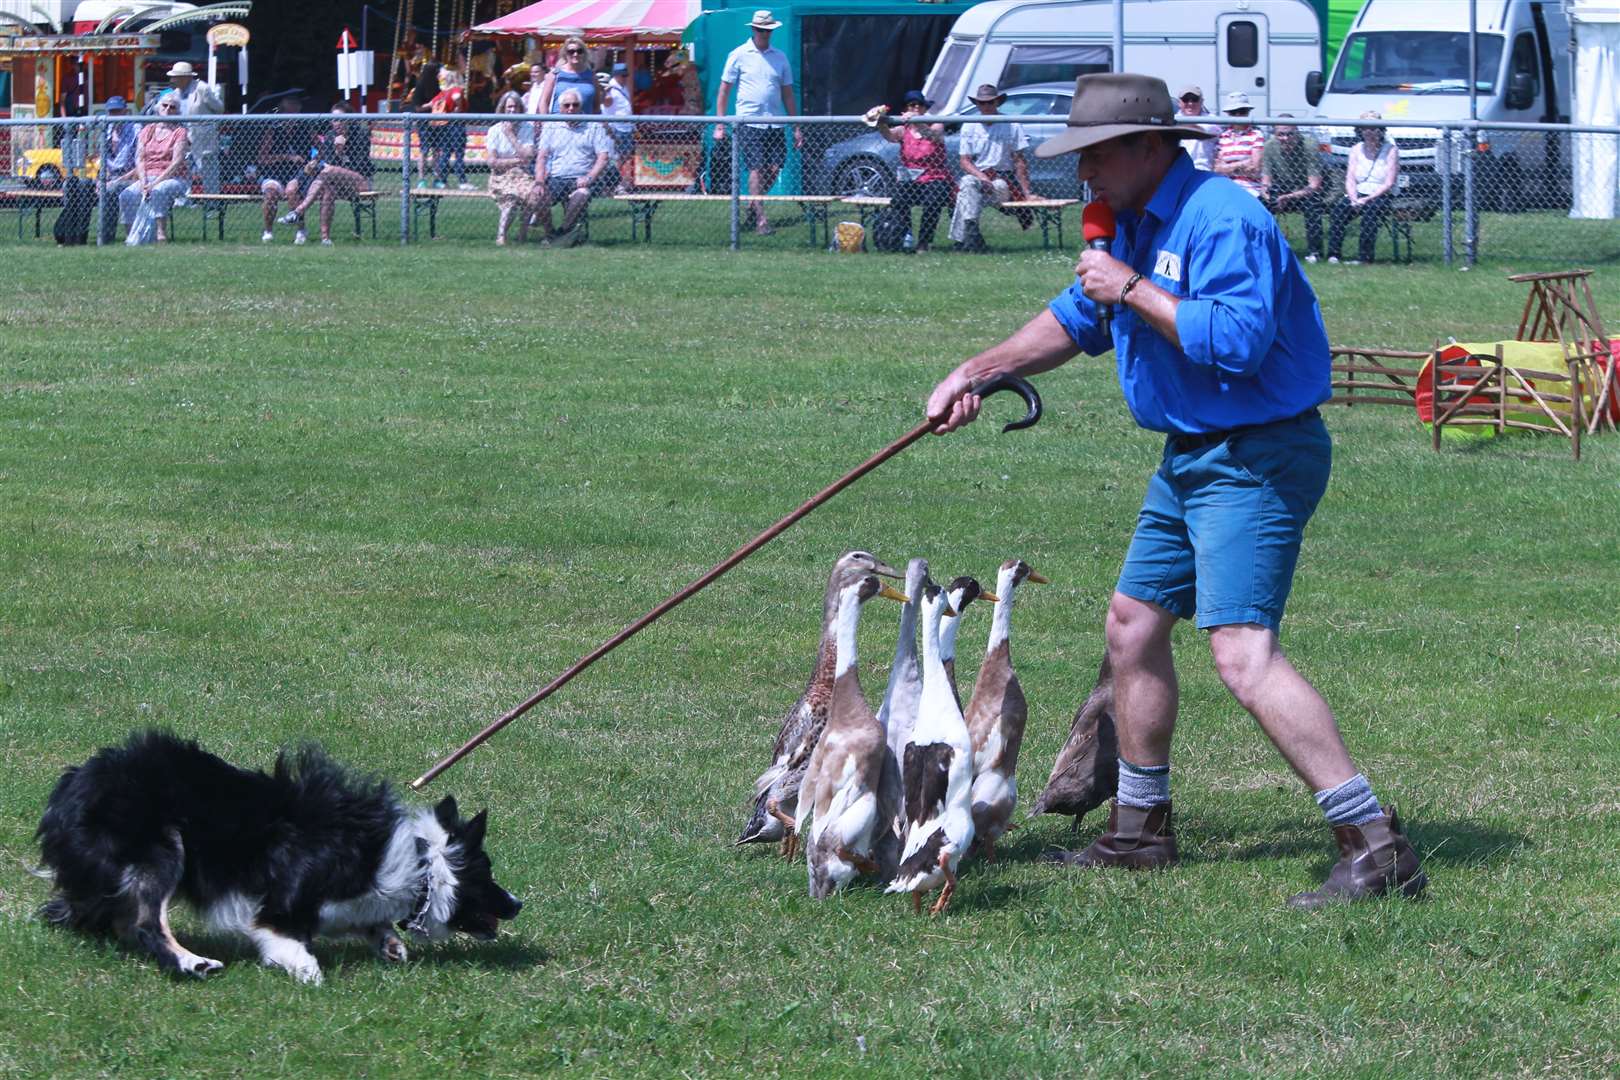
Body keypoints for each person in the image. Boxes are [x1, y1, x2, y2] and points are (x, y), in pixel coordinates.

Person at [925, 73, 1426, 909]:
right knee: (1132, 624)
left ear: (1153, 146)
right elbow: (1073, 321)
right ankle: (1139, 831)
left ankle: (1375, 843)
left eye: (1096, 155)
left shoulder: (1224, 219)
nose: (1082, 174)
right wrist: (979, 371)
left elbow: (1235, 341)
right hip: (1192, 453)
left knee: (1242, 653)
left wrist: (1128, 288)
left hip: (1258, 454)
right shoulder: (1127, 223)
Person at [714, 9, 802, 235]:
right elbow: (724, 90)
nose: (765, 34)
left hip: (776, 123)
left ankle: (753, 203)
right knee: (756, 168)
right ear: (753, 29)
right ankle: (761, 220)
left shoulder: (780, 57)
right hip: (748, 123)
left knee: (774, 168)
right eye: (761, 30)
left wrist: (797, 127)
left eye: (768, 30)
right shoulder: (739, 54)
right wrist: (720, 124)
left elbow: (788, 94)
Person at [949, 83, 1038, 253]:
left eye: (990, 102)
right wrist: (982, 177)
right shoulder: (969, 126)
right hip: (979, 178)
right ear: (977, 105)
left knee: (967, 196)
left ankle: (964, 241)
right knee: (967, 182)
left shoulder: (1011, 124)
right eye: (982, 103)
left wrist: (1026, 193)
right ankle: (973, 236)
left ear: (997, 102)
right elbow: (965, 161)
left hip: (1002, 180)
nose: (986, 106)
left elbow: (1019, 161)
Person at [278, 103, 372, 246]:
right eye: (334, 120)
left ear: (350, 119)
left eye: (341, 119)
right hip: (335, 182)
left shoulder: (361, 133)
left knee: (328, 171)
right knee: (328, 190)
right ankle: (325, 238)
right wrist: (332, 153)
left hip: (360, 181)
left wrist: (341, 152)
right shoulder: (330, 136)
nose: (337, 123)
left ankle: (297, 212)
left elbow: (360, 165)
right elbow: (328, 163)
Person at [871, 90, 953, 252]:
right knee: (899, 199)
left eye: (918, 105)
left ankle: (924, 242)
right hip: (911, 177)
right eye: (911, 105)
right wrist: (880, 121)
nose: (915, 107)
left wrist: (918, 122)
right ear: (906, 108)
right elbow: (889, 136)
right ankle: (905, 235)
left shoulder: (936, 124)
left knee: (932, 201)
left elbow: (933, 136)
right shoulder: (904, 129)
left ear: (924, 108)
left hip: (935, 176)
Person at [533, 87, 610, 245]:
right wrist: (539, 181)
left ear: (580, 106)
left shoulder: (593, 126)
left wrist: (589, 177)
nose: (571, 109)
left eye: (575, 105)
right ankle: (550, 233)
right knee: (537, 196)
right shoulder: (551, 126)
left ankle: (562, 232)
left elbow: (603, 157)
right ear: (560, 108)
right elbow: (541, 157)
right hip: (556, 178)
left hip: (583, 179)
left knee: (581, 195)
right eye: (567, 105)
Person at [116, 92, 190, 244]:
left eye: (172, 107)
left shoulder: (180, 132)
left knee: (159, 190)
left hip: (174, 178)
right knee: (126, 195)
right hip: (147, 178)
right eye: (165, 105)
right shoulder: (147, 130)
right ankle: (132, 237)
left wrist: (154, 184)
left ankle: (160, 235)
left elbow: (176, 162)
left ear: (177, 111)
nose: (168, 109)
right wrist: (144, 183)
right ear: (158, 108)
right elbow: (140, 159)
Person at [1327, 112, 1399, 265]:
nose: (1369, 132)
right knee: (1339, 210)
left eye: (1373, 128)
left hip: (1380, 194)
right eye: (1365, 128)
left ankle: (1364, 258)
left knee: (1370, 213)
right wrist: (1353, 198)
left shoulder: (1391, 150)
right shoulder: (1355, 149)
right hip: (1358, 193)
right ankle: (1334, 254)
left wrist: (1366, 199)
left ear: (1381, 130)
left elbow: (1389, 183)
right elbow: (1350, 178)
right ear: (1359, 130)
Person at [257, 95, 319, 244]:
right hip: (274, 173)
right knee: (270, 193)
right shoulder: (273, 131)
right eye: (288, 112)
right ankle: (268, 231)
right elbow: (262, 159)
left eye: (295, 113)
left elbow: (320, 149)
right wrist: (287, 157)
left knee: (292, 192)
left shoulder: (305, 129)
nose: (292, 117)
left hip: (298, 173)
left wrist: (313, 161)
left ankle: (301, 229)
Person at [1262, 117, 1324, 263]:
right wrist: (1268, 196)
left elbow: (1314, 185)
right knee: (1259, 205)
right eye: (1280, 134)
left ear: (1297, 132)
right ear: (1275, 134)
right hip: (1280, 190)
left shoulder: (1309, 145)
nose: (1285, 138)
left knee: (1313, 204)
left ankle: (1315, 252)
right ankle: (1264, 248)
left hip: (1304, 192)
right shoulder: (1269, 146)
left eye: (1290, 134)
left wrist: (1289, 197)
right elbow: (1265, 181)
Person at [486, 90, 541, 245]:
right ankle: (501, 236)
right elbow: (492, 162)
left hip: (522, 175)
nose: (512, 110)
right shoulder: (494, 130)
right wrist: (518, 160)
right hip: (500, 176)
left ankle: (522, 234)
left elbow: (529, 155)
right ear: (503, 108)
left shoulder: (527, 128)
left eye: (515, 107)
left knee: (533, 196)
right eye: (508, 107)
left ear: (520, 109)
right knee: (511, 199)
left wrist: (511, 135)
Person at [166, 60, 223, 193]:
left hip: (203, 138)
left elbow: (219, 108)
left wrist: (207, 125)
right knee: (182, 170)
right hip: (183, 138)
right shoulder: (174, 93)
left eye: (175, 76)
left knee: (208, 172)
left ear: (185, 77)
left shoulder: (202, 88)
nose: (172, 79)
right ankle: (184, 200)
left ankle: (212, 203)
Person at [98, 95, 139, 244]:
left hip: (129, 177)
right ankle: (74, 237)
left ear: (125, 111)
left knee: (110, 190)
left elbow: (139, 167)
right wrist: (101, 179)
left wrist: (116, 181)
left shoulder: (135, 129)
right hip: (109, 177)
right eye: (111, 112)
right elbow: (102, 162)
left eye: (117, 111)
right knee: (80, 186)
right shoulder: (105, 130)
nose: (114, 116)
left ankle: (106, 239)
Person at [1213, 89, 1264, 198]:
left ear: (1248, 112)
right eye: (1233, 112)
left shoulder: (1256, 135)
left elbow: (1255, 169)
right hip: (1226, 187)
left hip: (1251, 189)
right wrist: (1243, 163)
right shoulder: (1222, 137)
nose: (1238, 115)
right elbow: (1217, 169)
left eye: (1242, 111)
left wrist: (1228, 167)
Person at [427, 67, 471, 189]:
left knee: (445, 153)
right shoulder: (455, 89)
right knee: (458, 154)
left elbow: (431, 103)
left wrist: (420, 107)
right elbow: (457, 96)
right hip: (457, 126)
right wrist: (459, 107)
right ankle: (462, 181)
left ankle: (441, 180)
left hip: (446, 127)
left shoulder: (443, 93)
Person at [536, 36, 598, 115]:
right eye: (571, 51)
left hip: (586, 125)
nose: (575, 54)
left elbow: (596, 105)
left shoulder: (591, 75)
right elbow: (543, 102)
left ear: (584, 53)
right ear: (565, 54)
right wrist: (545, 122)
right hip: (559, 124)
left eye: (579, 51)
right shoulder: (555, 74)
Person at [600, 62, 636, 194]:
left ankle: (618, 184)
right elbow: (606, 103)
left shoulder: (623, 87)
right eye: (622, 75)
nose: (625, 77)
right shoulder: (611, 88)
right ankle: (611, 185)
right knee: (615, 159)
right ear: (616, 75)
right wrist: (605, 92)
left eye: (626, 75)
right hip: (615, 128)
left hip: (626, 127)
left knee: (624, 157)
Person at [1176, 86, 1220, 171]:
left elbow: (1200, 131)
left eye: (1194, 99)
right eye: (1186, 99)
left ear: (1202, 101)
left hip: (1203, 170)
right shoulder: (1173, 119)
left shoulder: (1212, 120)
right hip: (1178, 170)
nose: (1190, 103)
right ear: (1179, 102)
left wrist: (1175, 125)